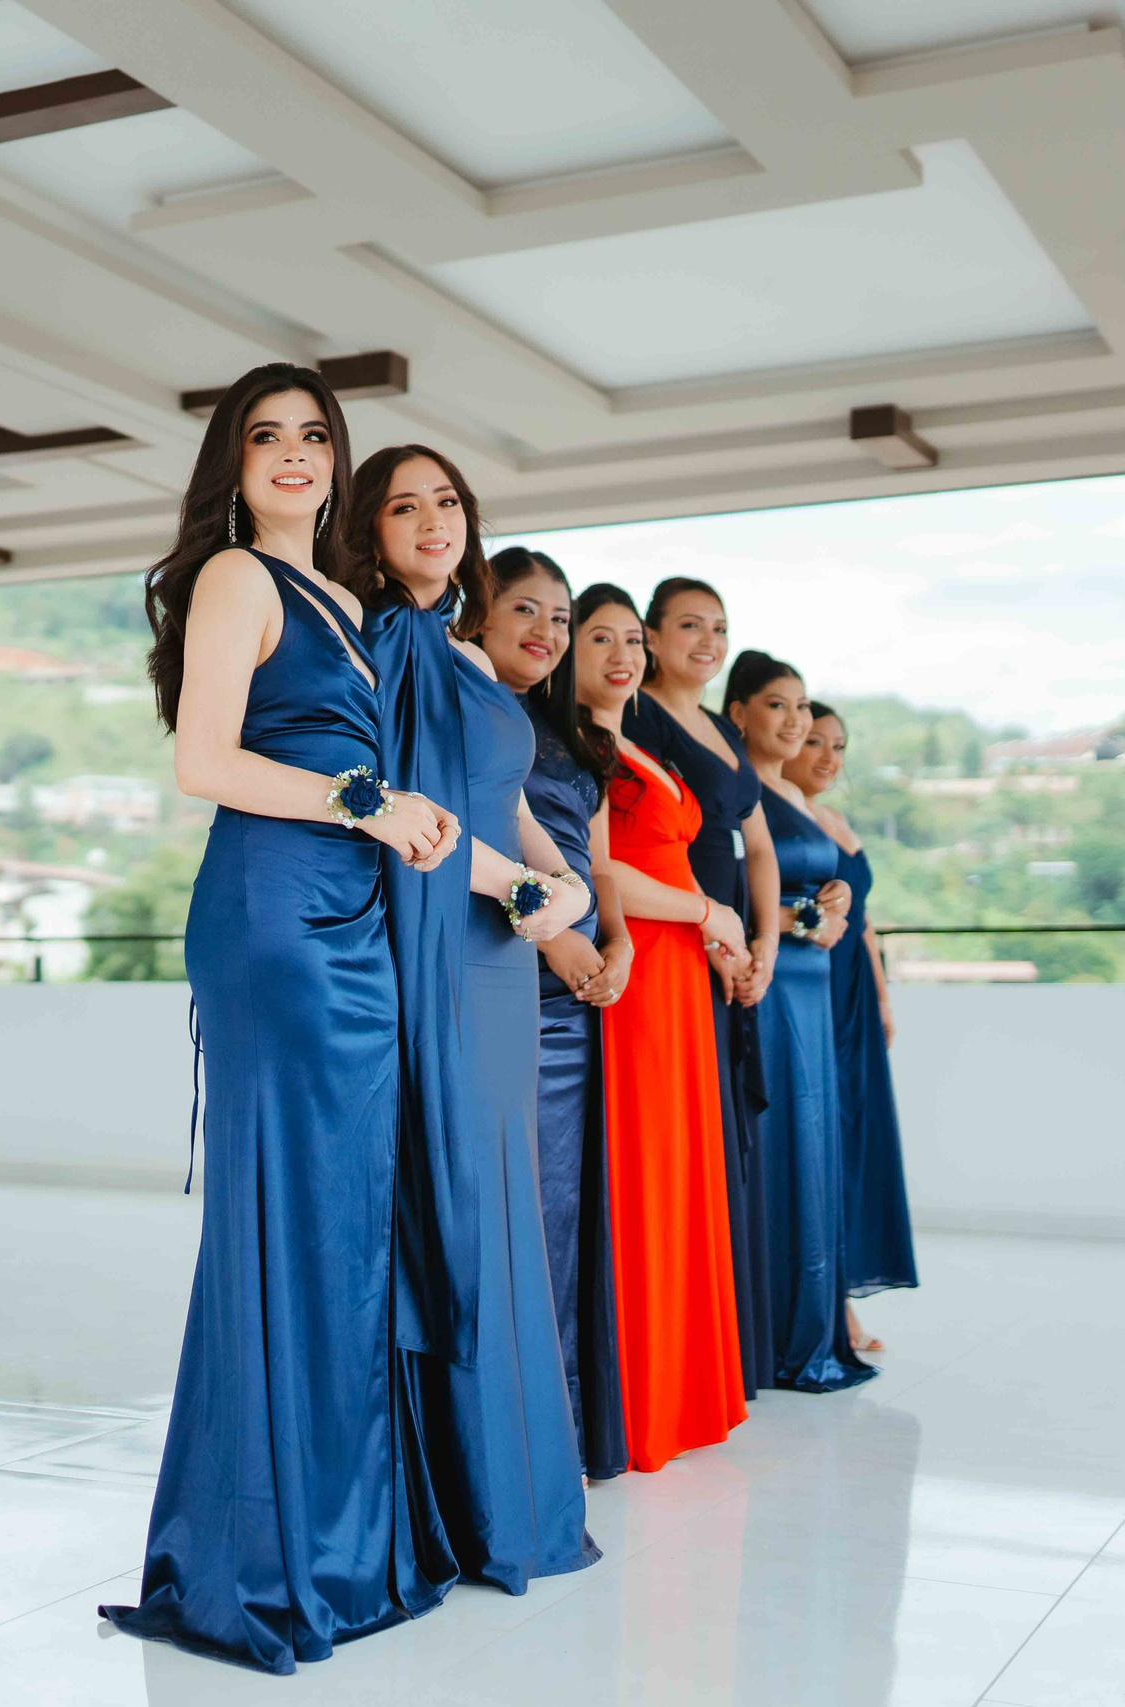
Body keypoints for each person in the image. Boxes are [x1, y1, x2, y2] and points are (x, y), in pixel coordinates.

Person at [97, 365, 462, 1674]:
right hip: (273, 916)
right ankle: (263, 1558)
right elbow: (205, 759)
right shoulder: (237, 579)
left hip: (352, 919)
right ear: (234, 462)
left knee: (342, 1222)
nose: (297, 454)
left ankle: (338, 1541)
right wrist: (366, 800)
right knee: (291, 1222)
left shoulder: (349, 599)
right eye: (269, 437)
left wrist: (414, 821)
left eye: (317, 435)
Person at [348, 445, 598, 1586]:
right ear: (372, 528)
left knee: (503, 1214)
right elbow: (427, 819)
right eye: (403, 506)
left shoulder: (461, 651)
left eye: (445, 500)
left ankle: (517, 1489)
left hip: (507, 957)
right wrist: (525, 892)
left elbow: (511, 812)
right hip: (447, 945)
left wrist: (569, 890)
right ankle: (464, 1499)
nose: (431, 519)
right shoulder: (389, 649)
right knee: (453, 1216)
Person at [575, 585, 748, 1469]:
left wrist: (709, 925)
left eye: (631, 640)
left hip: (683, 965)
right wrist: (707, 908)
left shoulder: (634, 741)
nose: (621, 655)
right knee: (644, 1172)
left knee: (684, 1169)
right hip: (643, 962)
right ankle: (643, 1397)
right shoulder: (587, 747)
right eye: (598, 638)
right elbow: (602, 871)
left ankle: (684, 1389)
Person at [470, 544, 629, 1482]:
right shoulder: (475, 717)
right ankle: (505, 1441)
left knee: (564, 1210)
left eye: (560, 618)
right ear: (481, 616)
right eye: (526, 610)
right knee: (512, 1208)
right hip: (503, 967)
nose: (546, 632)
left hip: (580, 985)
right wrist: (556, 940)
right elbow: (471, 844)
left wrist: (618, 943)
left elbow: (597, 864)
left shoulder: (573, 738)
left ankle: (556, 1429)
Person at [624, 578, 776, 1399]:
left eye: (719, 626)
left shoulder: (719, 726)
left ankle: (726, 1350)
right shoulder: (638, 716)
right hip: (679, 937)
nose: (708, 640)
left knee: (726, 1143)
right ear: (651, 635)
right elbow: (662, 847)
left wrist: (766, 944)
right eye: (690, 625)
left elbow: (757, 843)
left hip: (731, 940)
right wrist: (719, 938)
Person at [725, 652, 876, 1394]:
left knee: (817, 1144)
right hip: (779, 979)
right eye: (779, 706)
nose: (796, 721)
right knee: (782, 1138)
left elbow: (826, 888)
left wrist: (836, 905)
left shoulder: (794, 791)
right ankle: (784, 1336)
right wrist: (796, 916)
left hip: (817, 983)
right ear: (741, 712)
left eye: (803, 707)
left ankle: (818, 1326)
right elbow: (732, 883)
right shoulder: (743, 789)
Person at [794, 701, 919, 1345]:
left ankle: (842, 1289)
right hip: (810, 984)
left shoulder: (835, 821)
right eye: (815, 741)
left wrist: (882, 997)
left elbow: (863, 921)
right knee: (822, 1140)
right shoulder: (780, 815)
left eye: (838, 747)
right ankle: (829, 1301)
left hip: (855, 997)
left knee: (855, 1138)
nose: (827, 758)